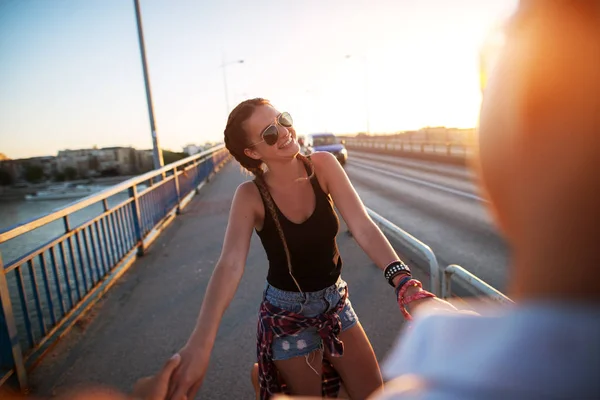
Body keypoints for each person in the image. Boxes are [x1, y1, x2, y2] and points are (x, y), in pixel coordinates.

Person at [165, 98, 435, 400]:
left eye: (283, 119)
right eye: (269, 133)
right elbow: (229, 265)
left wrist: (405, 283)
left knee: (374, 393)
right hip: (287, 314)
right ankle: (270, 380)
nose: (284, 132)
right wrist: (201, 341)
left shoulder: (323, 165)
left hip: (335, 302)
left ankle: (272, 383)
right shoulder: (250, 196)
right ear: (253, 152)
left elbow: (363, 227)